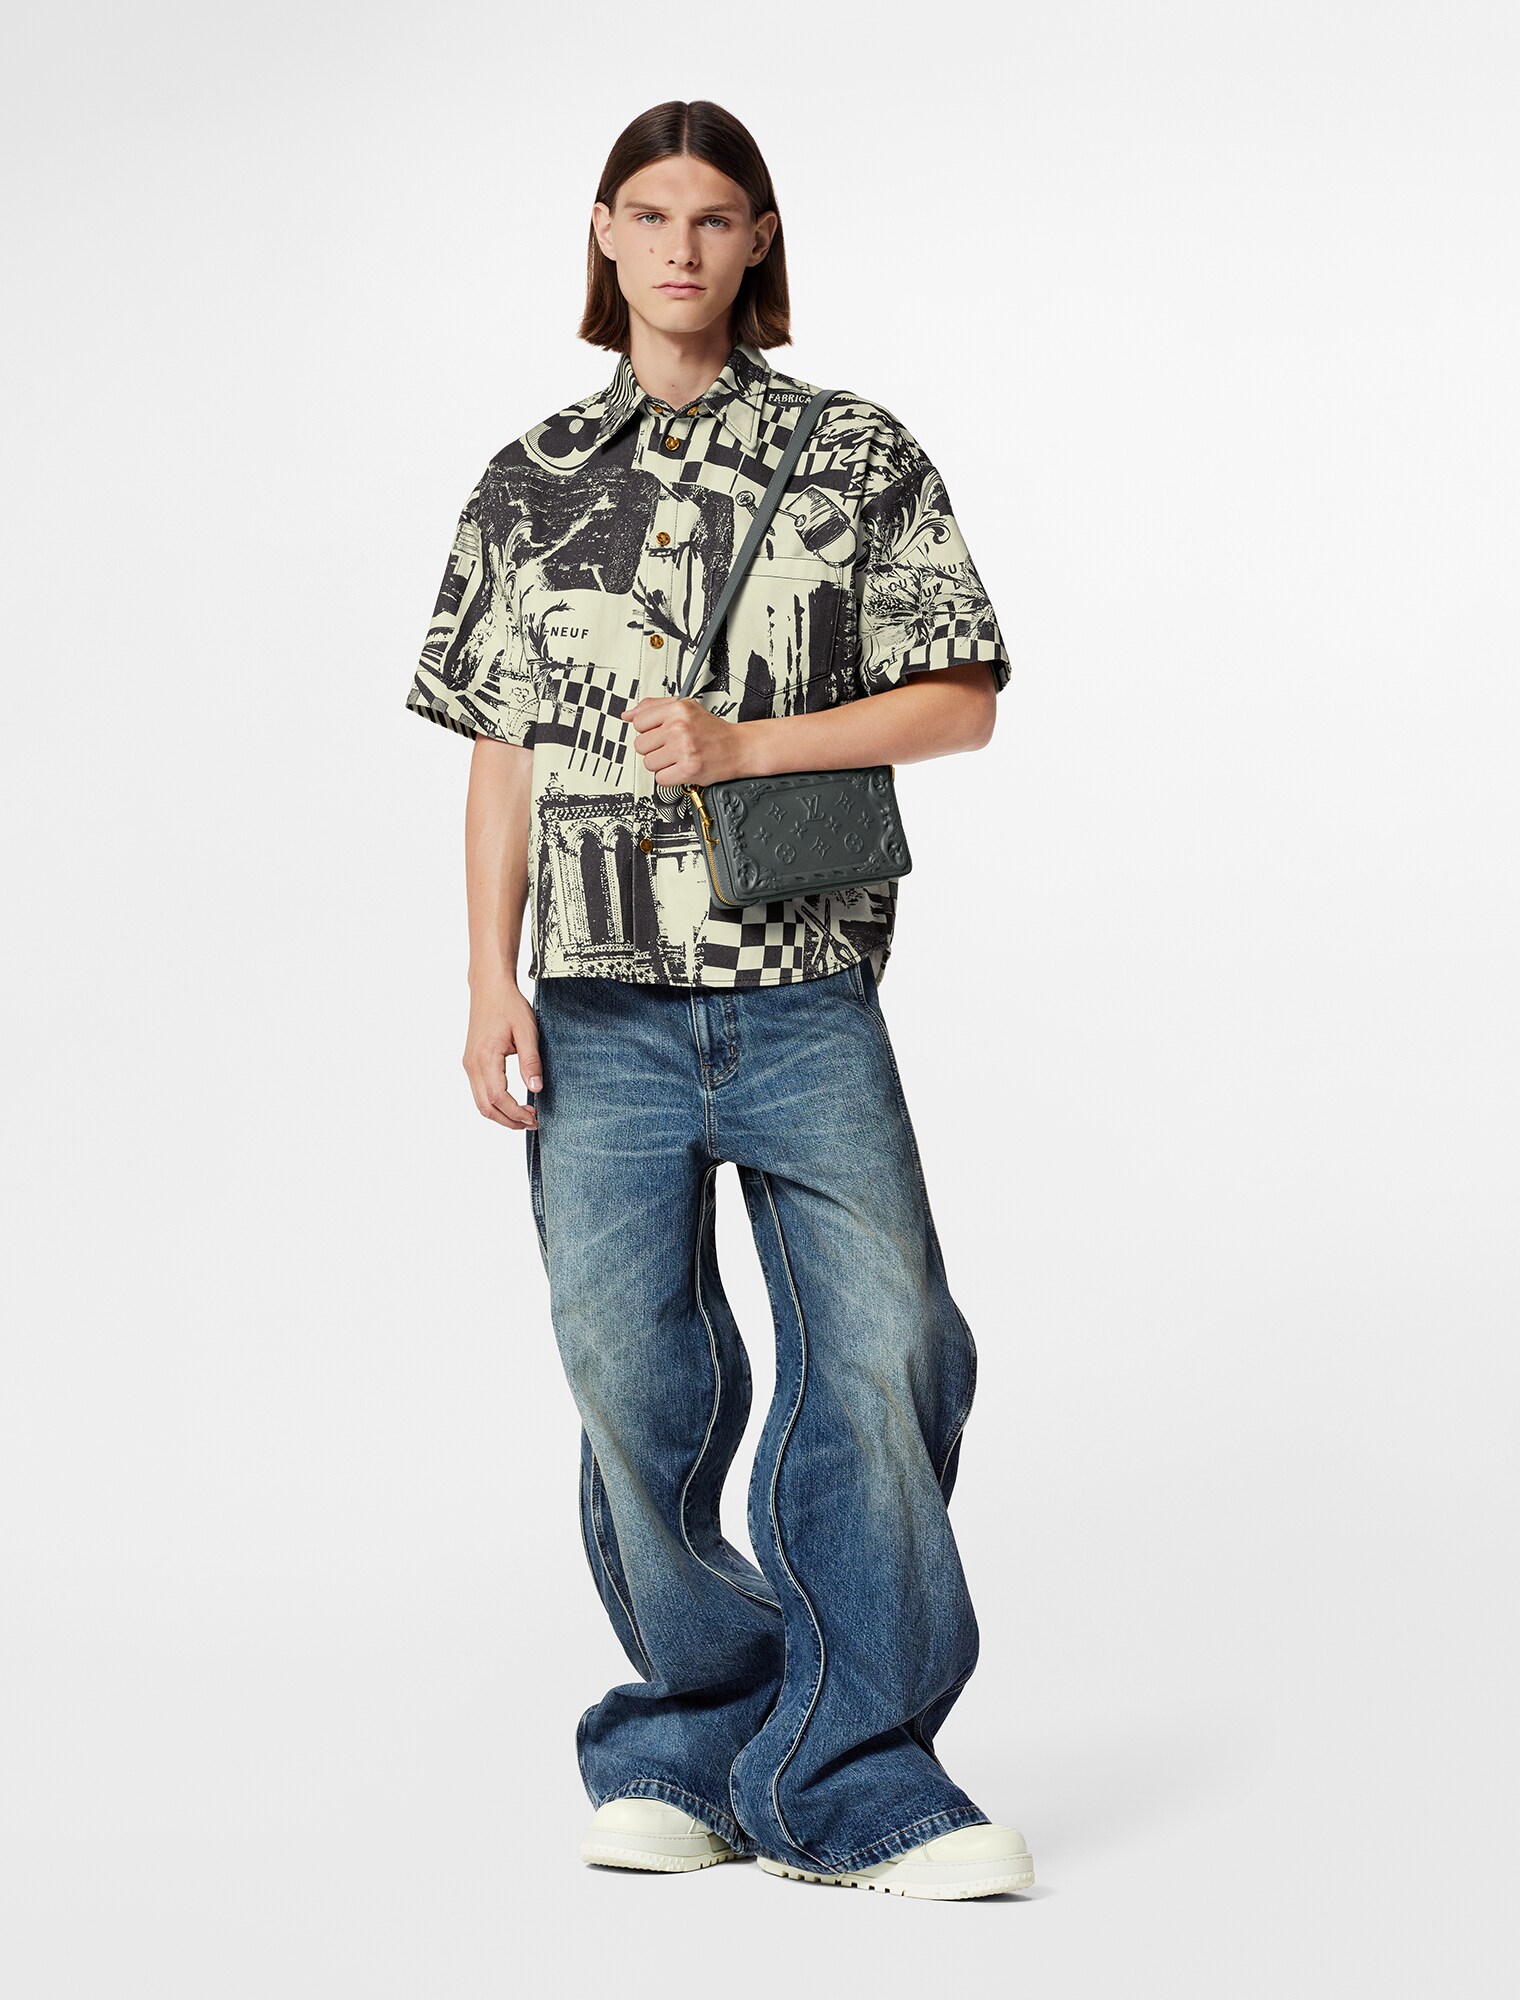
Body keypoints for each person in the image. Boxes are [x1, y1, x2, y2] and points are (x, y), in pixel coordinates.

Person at [404, 99, 1034, 1902]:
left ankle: (857, 1771)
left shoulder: (854, 453)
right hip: (594, 1002)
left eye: (716, 216)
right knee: (632, 1380)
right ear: (604, 232)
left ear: (758, 239)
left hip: (802, 989)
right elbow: (503, 752)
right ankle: (696, 1730)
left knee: (891, 1351)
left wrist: (748, 745)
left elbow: (963, 700)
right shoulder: (527, 481)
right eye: (650, 213)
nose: (681, 247)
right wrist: (487, 979)